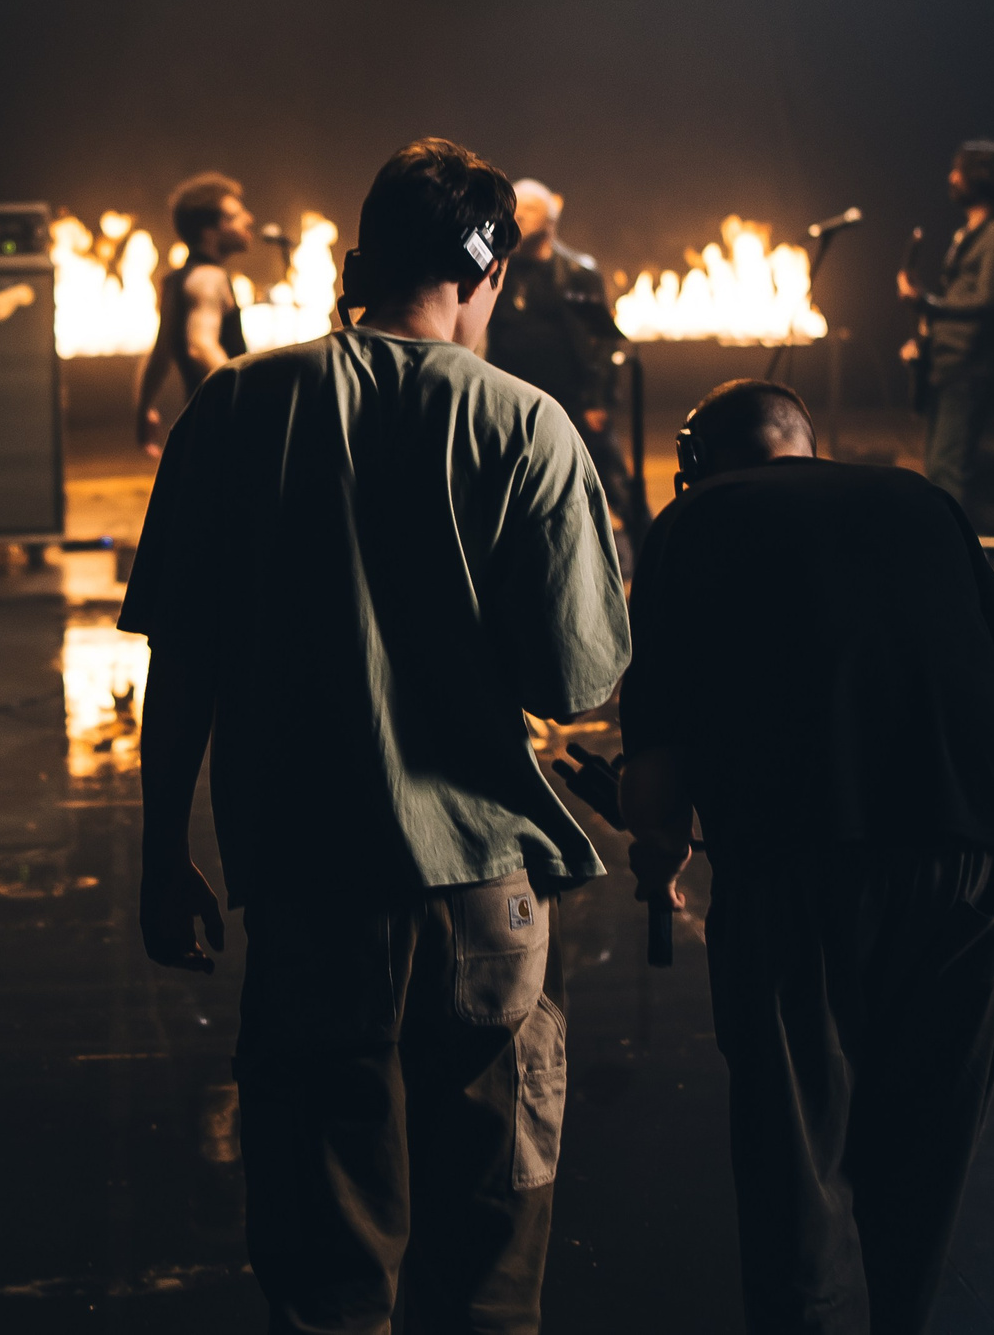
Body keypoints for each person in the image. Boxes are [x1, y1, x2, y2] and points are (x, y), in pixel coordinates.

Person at [122, 139, 631, 1335]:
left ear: (359, 257)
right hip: (486, 900)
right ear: (488, 271)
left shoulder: (238, 406)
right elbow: (574, 679)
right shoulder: (529, 427)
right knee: (489, 1265)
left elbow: (180, 664)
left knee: (327, 1254)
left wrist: (161, 857)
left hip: (306, 885)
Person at [616, 379, 994, 1335]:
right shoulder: (926, 503)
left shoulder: (687, 525)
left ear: (695, 466)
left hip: (794, 882)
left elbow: (656, 794)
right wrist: (974, 869)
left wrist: (660, 864)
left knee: (795, 1185)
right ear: (807, 443)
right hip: (971, 877)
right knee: (921, 1174)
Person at [485, 177, 653, 556]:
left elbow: (602, 339)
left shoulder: (577, 272)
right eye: (514, 210)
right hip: (513, 395)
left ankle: (654, 551)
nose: (517, 218)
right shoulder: (500, 267)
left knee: (612, 478)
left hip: (572, 398)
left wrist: (598, 399)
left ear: (549, 220)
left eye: (527, 211)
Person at [897, 141, 994, 506]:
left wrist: (928, 303)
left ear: (981, 178)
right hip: (945, 365)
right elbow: (957, 298)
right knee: (937, 469)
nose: (951, 177)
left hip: (968, 370)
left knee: (948, 471)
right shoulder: (966, 235)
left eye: (959, 170)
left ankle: (954, 558)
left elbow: (987, 300)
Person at [137, 172, 257, 455]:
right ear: (209, 231)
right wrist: (249, 400)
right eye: (236, 215)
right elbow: (200, 346)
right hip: (224, 429)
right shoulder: (209, 278)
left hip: (200, 429)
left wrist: (144, 408)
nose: (248, 219)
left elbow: (160, 354)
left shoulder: (176, 279)